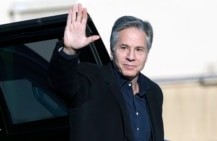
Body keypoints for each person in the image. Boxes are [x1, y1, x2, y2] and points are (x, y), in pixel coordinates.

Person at [48, 3, 164, 141]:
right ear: (112, 49)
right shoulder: (90, 79)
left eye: (139, 50)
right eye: (124, 48)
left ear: (147, 53)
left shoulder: (153, 92)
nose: (131, 57)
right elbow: (61, 83)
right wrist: (69, 51)